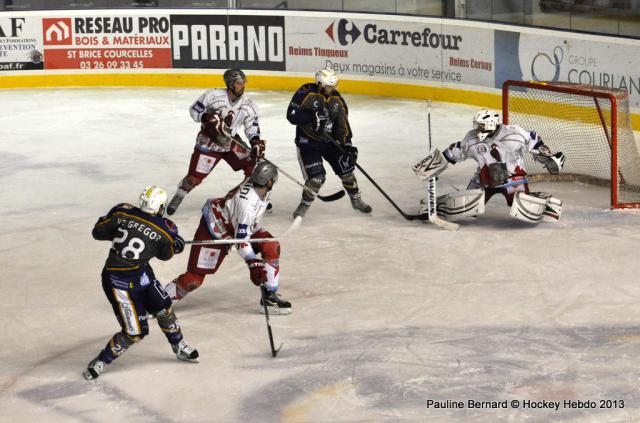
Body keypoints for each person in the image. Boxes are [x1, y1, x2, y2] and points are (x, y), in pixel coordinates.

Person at [83, 186, 198, 380]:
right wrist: (174, 244)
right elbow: (166, 255)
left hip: (138, 273)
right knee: (135, 332)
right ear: (160, 207)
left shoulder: (122, 211)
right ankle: (101, 360)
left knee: (163, 307)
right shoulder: (165, 229)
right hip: (119, 283)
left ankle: (178, 345)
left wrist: (124, 228)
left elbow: (98, 232)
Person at [164, 162, 291, 315]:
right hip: (216, 228)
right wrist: (253, 263)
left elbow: (252, 163)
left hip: (236, 224)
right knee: (194, 279)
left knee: (271, 246)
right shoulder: (247, 206)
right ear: (269, 181)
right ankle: (158, 303)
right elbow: (240, 242)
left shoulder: (258, 181)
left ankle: (269, 299)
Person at [416, 109, 565, 222]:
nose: (477, 128)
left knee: (520, 204)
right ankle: (433, 207)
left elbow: (534, 140)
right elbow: (455, 151)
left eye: (480, 126)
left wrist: (547, 156)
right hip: (485, 179)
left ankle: (543, 201)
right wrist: (430, 167)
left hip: (513, 179)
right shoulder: (472, 138)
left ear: (490, 125)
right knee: (468, 209)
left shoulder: (513, 133)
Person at [167, 68, 267, 215]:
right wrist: (206, 117)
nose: (243, 86)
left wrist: (256, 142)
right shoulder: (212, 95)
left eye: (243, 82)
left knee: (254, 166)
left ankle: (253, 196)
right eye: (239, 83)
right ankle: (179, 195)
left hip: (230, 142)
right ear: (230, 84)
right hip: (209, 142)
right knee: (192, 179)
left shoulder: (249, 105)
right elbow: (194, 111)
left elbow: (252, 128)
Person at [286, 67, 371, 218]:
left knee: (347, 170)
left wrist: (348, 145)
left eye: (333, 85)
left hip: (331, 143)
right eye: (329, 86)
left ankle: (356, 200)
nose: (332, 89)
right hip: (308, 144)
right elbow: (291, 115)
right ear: (320, 84)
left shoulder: (337, 99)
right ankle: (304, 205)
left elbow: (342, 124)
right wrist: (311, 117)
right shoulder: (305, 92)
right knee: (316, 178)